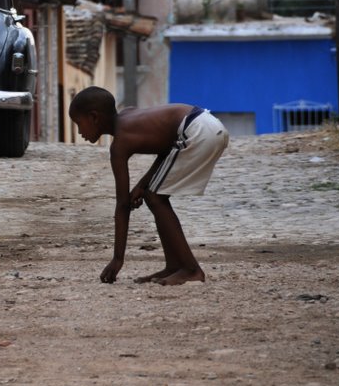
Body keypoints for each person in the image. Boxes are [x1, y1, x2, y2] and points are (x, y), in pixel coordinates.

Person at [68, 86, 229, 286]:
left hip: (196, 131)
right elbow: (167, 144)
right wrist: (143, 184)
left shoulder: (120, 144)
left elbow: (122, 205)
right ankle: (174, 266)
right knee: (154, 194)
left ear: (94, 117)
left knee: (155, 197)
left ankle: (190, 269)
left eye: (78, 123)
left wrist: (118, 259)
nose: (79, 131)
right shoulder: (128, 114)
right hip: (206, 125)